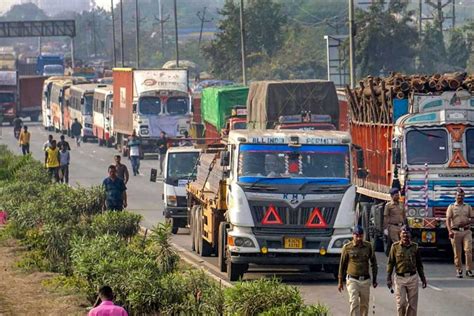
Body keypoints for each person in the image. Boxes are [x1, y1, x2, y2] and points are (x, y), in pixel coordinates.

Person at [387, 226, 427, 316]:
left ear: (410, 235)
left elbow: (419, 264)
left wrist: (423, 278)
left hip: (412, 278)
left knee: (412, 305)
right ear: (400, 235)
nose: (405, 236)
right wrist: (388, 278)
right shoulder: (395, 247)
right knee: (401, 303)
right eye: (403, 234)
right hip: (400, 278)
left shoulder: (415, 247)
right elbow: (390, 263)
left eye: (407, 234)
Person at [338, 225, 378, 316]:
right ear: (353, 235)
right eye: (357, 236)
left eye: (361, 236)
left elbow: (374, 263)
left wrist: (374, 279)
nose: (359, 238)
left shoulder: (368, 246)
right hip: (352, 280)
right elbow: (342, 265)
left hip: (365, 280)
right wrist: (340, 281)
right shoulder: (347, 247)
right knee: (354, 302)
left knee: (364, 305)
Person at [446, 188, 474, 278]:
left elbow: (473, 218)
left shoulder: (468, 206)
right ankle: (459, 270)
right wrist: (450, 231)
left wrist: (467, 222)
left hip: (466, 231)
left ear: (464, 196)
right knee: (457, 253)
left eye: (462, 196)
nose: (460, 197)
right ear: (455, 196)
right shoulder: (451, 207)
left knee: (468, 250)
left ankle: (469, 270)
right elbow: (448, 219)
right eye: (458, 195)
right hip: (455, 232)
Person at [383, 188, 407, 255]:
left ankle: (397, 255)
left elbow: (404, 215)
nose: (397, 196)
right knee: (397, 243)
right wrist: (385, 228)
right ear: (392, 196)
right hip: (393, 227)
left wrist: (405, 224)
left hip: (401, 227)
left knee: (403, 242)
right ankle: (398, 256)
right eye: (395, 195)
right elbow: (386, 217)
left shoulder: (401, 204)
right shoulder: (388, 205)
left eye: (397, 195)